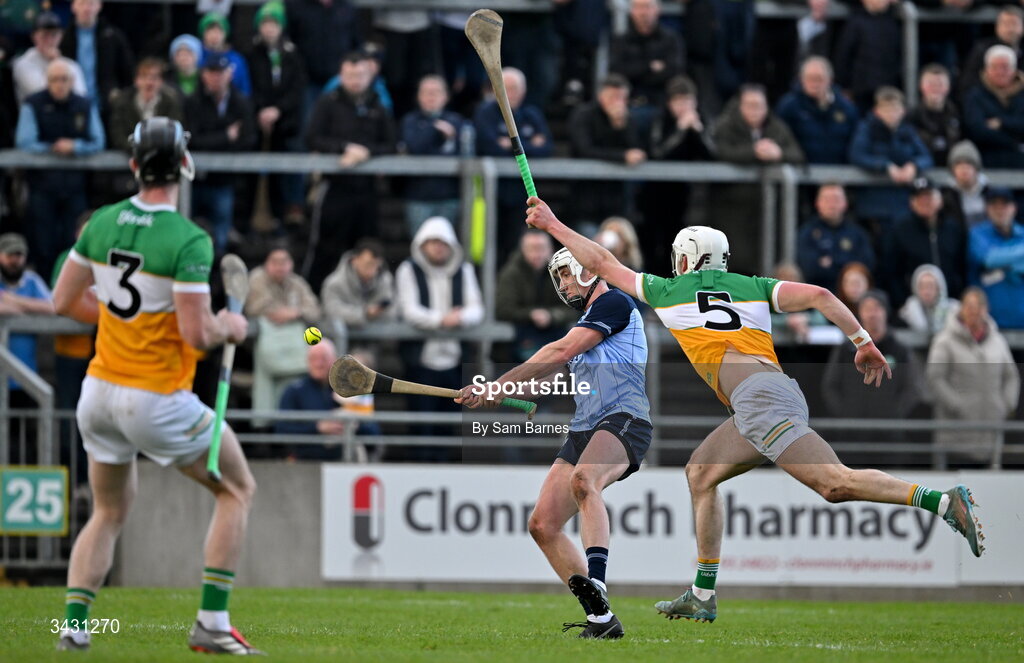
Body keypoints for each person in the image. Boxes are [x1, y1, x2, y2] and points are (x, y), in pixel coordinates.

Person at [525, 197, 985, 626]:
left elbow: (602, 263)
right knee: (701, 473)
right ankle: (703, 595)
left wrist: (552, 224)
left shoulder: (669, 291)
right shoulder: (753, 286)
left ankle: (943, 502)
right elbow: (823, 295)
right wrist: (862, 341)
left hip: (760, 401)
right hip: (765, 395)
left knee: (834, 483)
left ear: (686, 260)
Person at [51, 117, 260, 654]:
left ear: (133, 165)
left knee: (108, 511)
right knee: (237, 489)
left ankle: (74, 627)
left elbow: (62, 303)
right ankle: (212, 623)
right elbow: (197, 334)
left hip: (97, 394)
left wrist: (125, 322)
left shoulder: (100, 221)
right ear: (184, 167)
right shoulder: (188, 239)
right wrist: (229, 325)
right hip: (155, 397)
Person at [458, 247, 652, 640]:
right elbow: (557, 376)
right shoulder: (585, 320)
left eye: (566, 275)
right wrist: (494, 393)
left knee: (585, 481)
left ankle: (596, 581)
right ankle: (601, 619)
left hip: (625, 419)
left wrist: (501, 382)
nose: (562, 284)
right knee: (543, 525)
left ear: (587, 271)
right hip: (585, 427)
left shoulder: (616, 302)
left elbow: (558, 351)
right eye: (558, 278)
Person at [306, 51, 396, 291]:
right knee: (326, 247)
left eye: (360, 75)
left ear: (370, 75)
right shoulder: (328, 102)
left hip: (366, 190)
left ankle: (368, 298)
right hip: (334, 186)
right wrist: (344, 148)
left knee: (367, 248)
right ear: (341, 75)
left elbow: (391, 144)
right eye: (349, 75)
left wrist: (366, 152)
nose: (355, 80)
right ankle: (316, 296)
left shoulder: (378, 103)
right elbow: (313, 138)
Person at [396, 216, 482, 453]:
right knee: (420, 426)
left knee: (449, 427)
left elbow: (476, 309)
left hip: (454, 361)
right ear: (422, 245)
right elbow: (409, 310)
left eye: (442, 243)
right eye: (432, 242)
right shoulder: (408, 270)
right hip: (420, 362)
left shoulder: (463, 270)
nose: (437, 247)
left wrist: (460, 318)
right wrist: (441, 320)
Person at [14, 58, 105, 280]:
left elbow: (98, 141)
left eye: (64, 79)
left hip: (75, 187)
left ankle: (71, 292)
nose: (60, 84)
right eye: (55, 79)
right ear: (47, 81)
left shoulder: (84, 104)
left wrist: (76, 147)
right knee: (42, 244)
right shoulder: (33, 103)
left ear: (72, 81)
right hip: (42, 186)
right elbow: (24, 141)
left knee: (74, 243)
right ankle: (46, 293)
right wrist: (52, 148)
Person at [712, 83, 804, 272]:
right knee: (737, 262)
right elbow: (719, 151)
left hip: (767, 209)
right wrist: (754, 152)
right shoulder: (725, 126)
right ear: (740, 106)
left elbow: (798, 154)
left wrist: (778, 154)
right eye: (750, 105)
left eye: (759, 106)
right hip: (731, 209)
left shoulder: (776, 127)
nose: (755, 111)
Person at [926, 287, 1020, 465]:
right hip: (955, 435)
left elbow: (1011, 376)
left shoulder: (998, 341)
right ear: (962, 309)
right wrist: (957, 404)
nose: (974, 312)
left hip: (990, 433)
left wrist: (1006, 404)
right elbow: (935, 377)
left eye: (979, 307)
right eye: (969, 306)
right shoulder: (945, 340)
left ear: (986, 310)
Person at [474, 67, 553, 256]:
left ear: (524, 91)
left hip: (522, 194)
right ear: (495, 89)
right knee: (490, 246)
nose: (511, 93)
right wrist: (529, 144)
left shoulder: (531, 114)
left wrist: (509, 145)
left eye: (515, 88)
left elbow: (547, 148)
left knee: (515, 244)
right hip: (491, 193)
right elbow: (489, 146)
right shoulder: (485, 112)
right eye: (506, 88)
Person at [184, 53, 257, 254]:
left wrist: (211, 139)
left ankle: (217, 277)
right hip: (194, 179)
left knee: (220, 237)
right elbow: (192, 141)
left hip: (224, 180)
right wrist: (225, 136)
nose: (216, 77)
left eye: (220, 72)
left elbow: (247, 140)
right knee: (186, 230)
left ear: (230, 74)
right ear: (203, 74)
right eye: (211, 72)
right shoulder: (193, 102)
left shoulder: (241, 103)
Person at [248, 1, 308, 226]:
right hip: (258, 123)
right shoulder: (253, 54)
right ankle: (253, 221)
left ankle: (280, 218)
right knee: (254, 175)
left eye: (274, 23)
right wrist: (261, 111)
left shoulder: (292, 55)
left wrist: (278, 110)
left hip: (285, 124)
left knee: (282, 174)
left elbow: (297, 89)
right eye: (265, 23)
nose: (269, 28)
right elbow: (251, 86)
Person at [822, 290, 923, 422]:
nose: (872, 314)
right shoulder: (845, 349)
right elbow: (830, 386)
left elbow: (912, 389)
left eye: (876, 308)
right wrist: (845, 412)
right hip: (851, 429)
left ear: (886, 312)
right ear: (859, 314)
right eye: (867, 309)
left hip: (888, 430)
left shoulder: (900, 350)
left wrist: (894, 414)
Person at [246, 242, 322, 419]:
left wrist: (296, 312)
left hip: (295, 353)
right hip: (259, 351)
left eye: (284, 261)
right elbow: (256, 307)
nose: (280, 266)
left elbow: (314, 309)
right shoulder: (256, 279)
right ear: (266, 263)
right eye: (275, 261)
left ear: (291, 264)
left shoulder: (297, 282)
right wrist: (287, 311)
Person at [848, 87, 934, 233]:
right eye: (886, 109)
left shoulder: (908, 132)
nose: (891, 113)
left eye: (895, 108)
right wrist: (885, 166)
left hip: (903, 202)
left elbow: (926, 157)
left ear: (903, 111)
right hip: (874, 203)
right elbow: (856, 155)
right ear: (877, 111)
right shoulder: (866, 129)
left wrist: (913, 166)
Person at [568, 74, 646, 229]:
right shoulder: (583, 115)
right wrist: (622, 156)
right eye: (612, 97)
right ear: (601, 96)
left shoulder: (629, 120)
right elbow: (585, 150)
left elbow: (637, 150)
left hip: (618, 201)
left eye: (621, 98)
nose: (617, 103)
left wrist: (620, 126)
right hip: (586, 199)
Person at [884, 177, 966, 309]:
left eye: (929, 196)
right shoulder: (900, 229)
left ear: (939, 200)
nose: (925, 201)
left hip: (950, 304)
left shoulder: (953, 228)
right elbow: (892, 271)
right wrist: (903, 302)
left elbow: (962, 266)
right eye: (919, 197)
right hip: (914, 307)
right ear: (912, 202)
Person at [495, 229, 576, 361]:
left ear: (550, 249)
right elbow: (502, 309)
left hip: (554, 338)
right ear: (522, 250)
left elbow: (574, 307)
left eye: (541, 248)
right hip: (516, 345)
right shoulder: (510, 273)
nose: (537, 254)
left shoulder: (561, 273)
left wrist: (552, 315)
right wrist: (531, 314)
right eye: (532, 248)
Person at [400, 74, 467, 234]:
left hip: (449, 195)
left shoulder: (456, 121)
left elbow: (464, 154)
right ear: (418, 96)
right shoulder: (410, 121)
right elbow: (415, 147)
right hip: (418, 196)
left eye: (436, 92)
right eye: (426, 92)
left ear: (445, 96)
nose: (431, 97)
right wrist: (434, 130)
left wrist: (448, 138)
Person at [609, 0, 684, 130]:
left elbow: (675, 71)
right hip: (629, 103)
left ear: (657, 10)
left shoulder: (671, 39)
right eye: (638, 7)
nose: (643, 12)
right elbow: (617, 73)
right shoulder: (621, 41)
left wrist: (636, 71)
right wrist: (649, 67)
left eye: (647, 7)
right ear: (631, 11)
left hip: (663, 103)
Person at [775, 56, 859, 165]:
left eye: (819, 79)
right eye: (809, 78)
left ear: (830, 80)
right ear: (801, 79)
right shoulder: (788, 106)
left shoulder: (846, 108)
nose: (814, 84)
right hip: (801, 174)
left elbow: (854, 144)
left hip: (838, 175)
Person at [796, 183, 875, 290]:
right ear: (817, 203)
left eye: (836, 200)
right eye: (827, 200)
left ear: (845, 203)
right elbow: (810, 270)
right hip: (816, 296)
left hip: (850, 297)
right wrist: (845, 264)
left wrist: (830, 262)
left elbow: (864, 268)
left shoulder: (857, 234)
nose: (832, 205)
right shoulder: (807, 232)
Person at [59, 0, 134, 113]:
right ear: (73, 6)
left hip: (106, 105)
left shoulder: (113, 36)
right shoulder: (63, 38)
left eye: (91, 3)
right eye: (82, 3)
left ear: (99, 6)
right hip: (71, 104)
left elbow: (127, 70)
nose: (87, 8)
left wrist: (119, 95)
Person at [968, 187, 1024, 329]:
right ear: (987, 209)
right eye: (994, 206)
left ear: (1014, 208)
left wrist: (1005, 262)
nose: (1000, 210)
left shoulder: (1021, 234)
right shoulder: (978, 234)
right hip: (989, 323)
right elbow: (989, 259)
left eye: (1004, 205)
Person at [834, 0, 902, 113]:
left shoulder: (893, 22)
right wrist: (844, 86)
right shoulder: (855, 22)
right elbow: (843, 56)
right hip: (861, 91)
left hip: (887, 89)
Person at [964, 45, 1024, 169]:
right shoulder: (975, 95)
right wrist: (1014, 141)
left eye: (1005, 67)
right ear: (986, 69)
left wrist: (1001, 123)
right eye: (995, 67)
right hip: (987, 160)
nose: (1000, 72)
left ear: (1014, 70)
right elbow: (978, 130)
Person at [108, 58, 184, 151]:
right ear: (136, 80)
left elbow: (175, 131)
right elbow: (117, 135)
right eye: (144, 76)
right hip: (129, 156)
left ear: (161, 81)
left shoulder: (171, 103)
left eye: (154, 77)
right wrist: (137, 149)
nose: (149, 82)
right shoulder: (123, 103)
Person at [321, 238, 396, 331]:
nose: (372, 271)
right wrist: (364, 313)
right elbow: (331, 311)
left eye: (376, 265)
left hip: (378, 339)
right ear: (354, 260)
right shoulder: (334, 283)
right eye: (368, 264)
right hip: (343, 339)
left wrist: (379, 311)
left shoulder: (385, 279)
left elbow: (393, 310)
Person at [13, 12, 87, 104]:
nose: (49, 40)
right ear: (34, 37)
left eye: (54, 35)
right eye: (44, 35)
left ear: (61, 36)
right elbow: (44, 94)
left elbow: (81, 97)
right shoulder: (23, 64)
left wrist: (57, 61)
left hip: (68, 116)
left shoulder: (71, 65)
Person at [958, 5, 1023, 102]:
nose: (1010, 29)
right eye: (1005, 24)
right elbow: (968, 82)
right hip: (987, 102)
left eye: (1014, 24)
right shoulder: (982, 49)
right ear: (997, 27)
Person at [906, 64, 960, 167]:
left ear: (948, 87)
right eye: (930, 84)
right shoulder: (912, 117)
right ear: (921, 86)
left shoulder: (957, 114)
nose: (935, 88)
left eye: (940, 84)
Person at [197, 12, 251, 97]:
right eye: (210, 31)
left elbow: (245, 89)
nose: (214, 35)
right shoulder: (197, 57)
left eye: (218, 31)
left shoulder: (237, 59)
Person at [898, 264, 959, 336]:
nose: (926, 292)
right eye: (922, 287)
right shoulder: (906, 313)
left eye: (930, 286)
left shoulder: (953, 309)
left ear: (939, 288)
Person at [943, 140, 988, 228]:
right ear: (952, 170)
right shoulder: (946, 196)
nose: (964, 168)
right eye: (959, 164)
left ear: (976, 168)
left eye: (968, 163)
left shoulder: (989, 192)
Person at [167, 34, 202, 98]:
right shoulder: (167, 80)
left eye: (188, 53)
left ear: (197, 56)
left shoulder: (206, 80)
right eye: (179, 54)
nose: (183, 58)